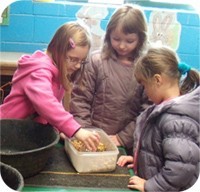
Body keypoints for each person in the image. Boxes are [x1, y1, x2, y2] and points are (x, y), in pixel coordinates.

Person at [0, 21, 100, 151]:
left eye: (82, 61)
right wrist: (75, 130)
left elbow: (56, 104)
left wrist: (61, 129)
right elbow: (46, 103)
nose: (78, 66)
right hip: (7, 134)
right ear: (57, 50)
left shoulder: (59, 70)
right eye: (73, 59)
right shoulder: (39, 72)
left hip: (27, 134)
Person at [117, 45, 200, 191]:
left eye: (144, 85)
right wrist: (139, 160)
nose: (145, 91)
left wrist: (150, 186)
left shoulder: (177, 119)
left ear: (157, 80)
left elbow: (180, 170)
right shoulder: (165, 111)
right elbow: (162, 152)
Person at [70, 4, 150, 151]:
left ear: (141, 39)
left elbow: (147, 111)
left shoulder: (146, 68)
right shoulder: (96, 61)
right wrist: (84, 132)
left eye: (129, 41)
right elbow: (80, 100)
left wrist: (123, 137)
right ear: (108, 35)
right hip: (93, 138)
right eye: (116, 39)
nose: (122, 46)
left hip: (127, 144)